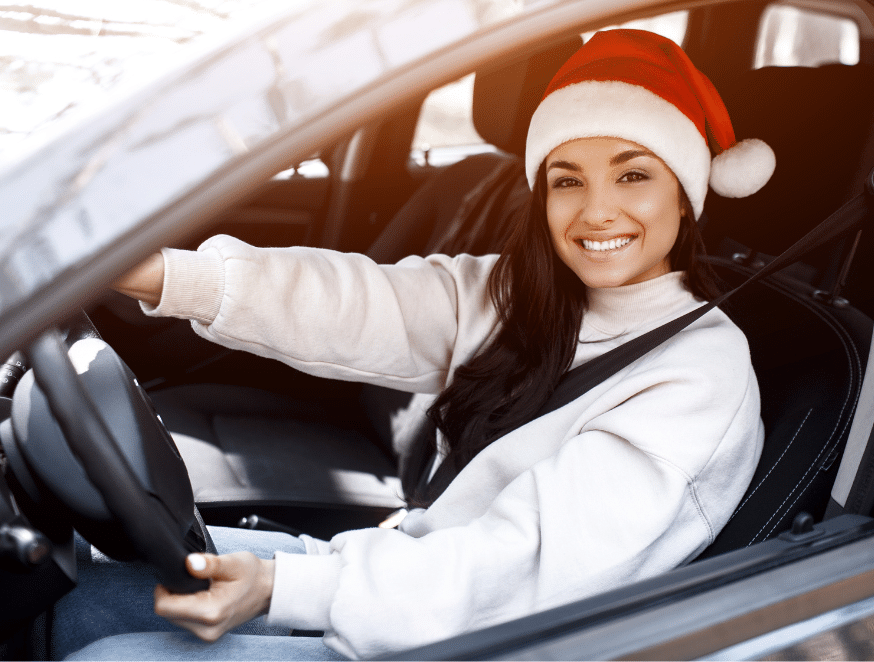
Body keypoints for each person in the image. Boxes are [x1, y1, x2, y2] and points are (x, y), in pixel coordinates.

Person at [53, 29, 775, 660]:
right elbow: (351, 303)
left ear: (685, 193)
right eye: (567, 180)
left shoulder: (699, 378)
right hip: (409, 573)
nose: (597, 210)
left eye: (634, 175)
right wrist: (156, 274)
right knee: (79, 596)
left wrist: (287, 586)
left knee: (110, 654)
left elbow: (523, 571)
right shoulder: (520, 294)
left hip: (489, 634)